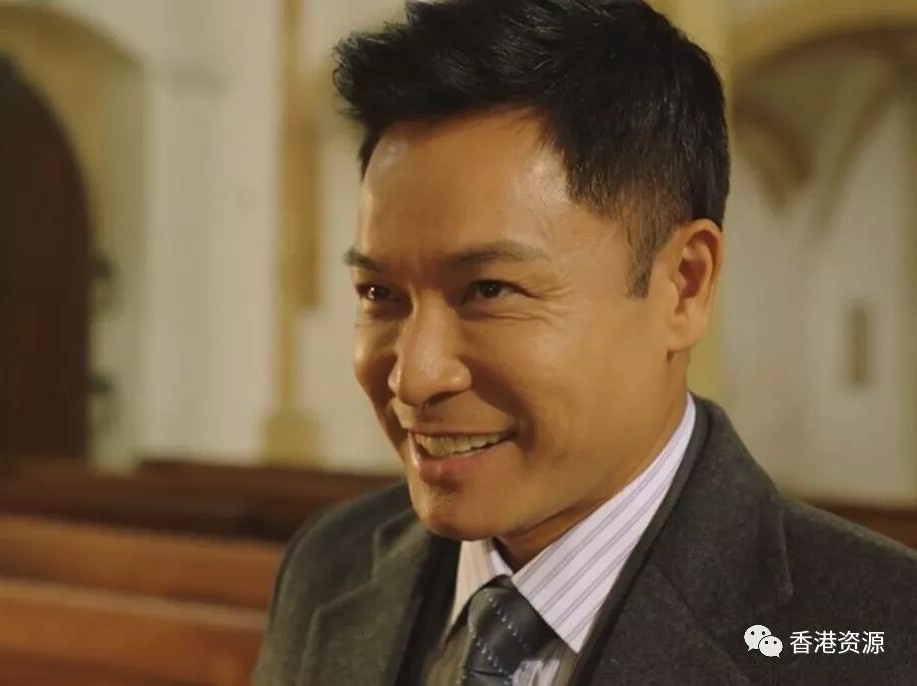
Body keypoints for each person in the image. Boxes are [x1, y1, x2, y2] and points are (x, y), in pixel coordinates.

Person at [252, 1, 917, 684]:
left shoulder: (886, 639)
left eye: (488, 290)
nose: (414, 378)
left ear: (683, 286)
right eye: (378, 293)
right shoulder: (329, 567)